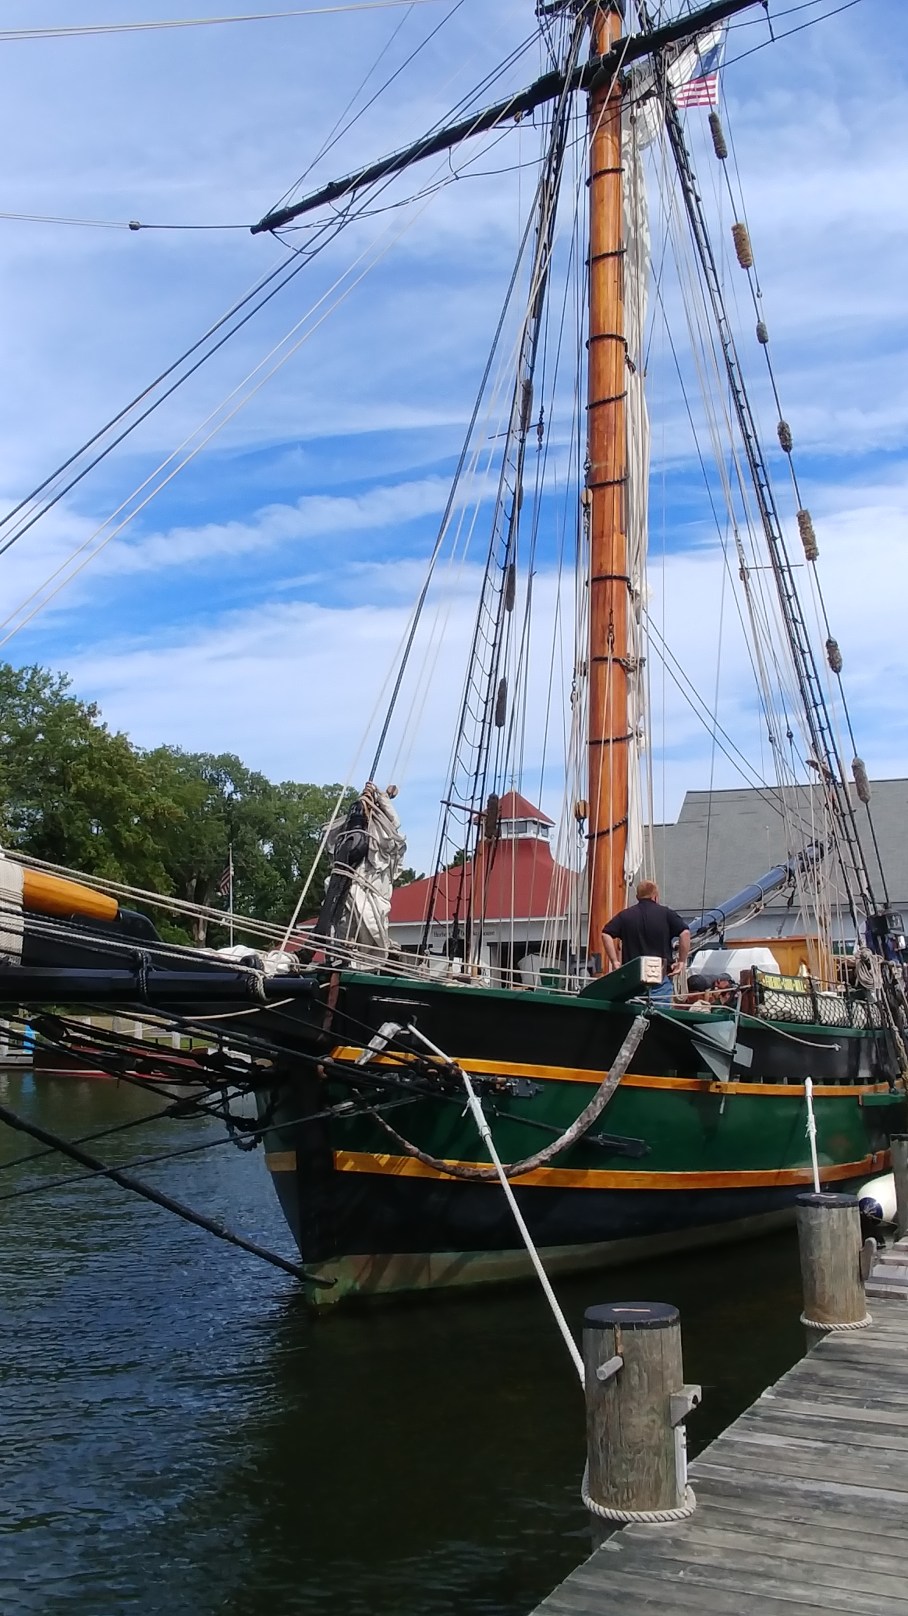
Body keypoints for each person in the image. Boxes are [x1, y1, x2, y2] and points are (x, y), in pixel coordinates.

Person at [601, 880, 691, 1004]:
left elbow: (606, 933)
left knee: (632, 1016)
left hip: (633, 976)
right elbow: (685, 933)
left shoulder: (625, 915)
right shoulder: (666, 914)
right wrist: (681, 961)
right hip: (660, 975)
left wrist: (615, 961)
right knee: (660, 1017)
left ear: (637, 896)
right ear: (655, 896)